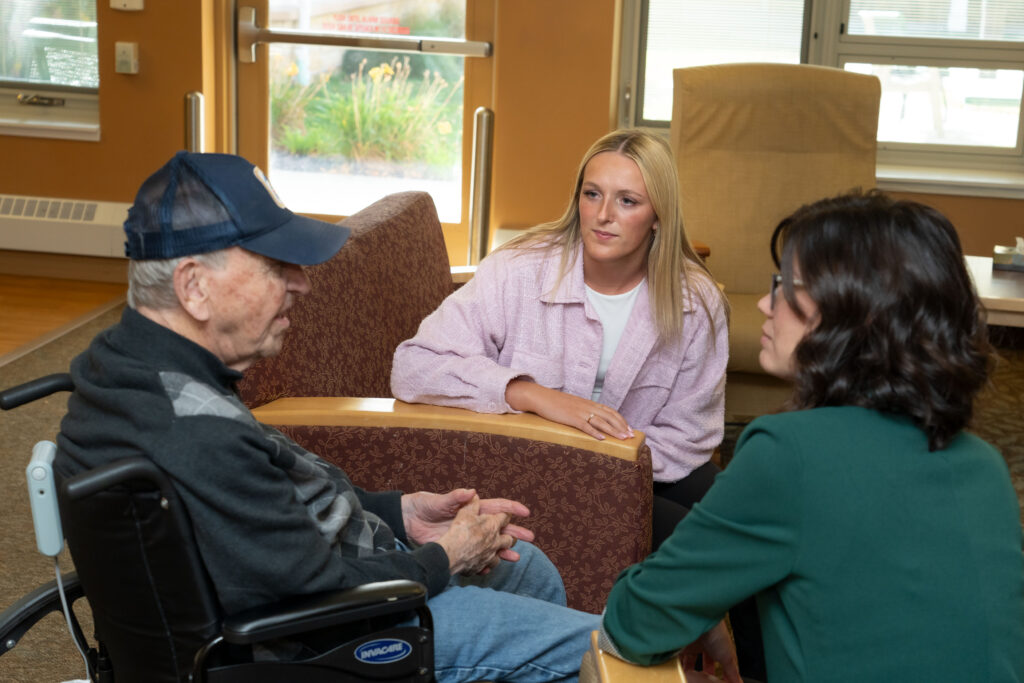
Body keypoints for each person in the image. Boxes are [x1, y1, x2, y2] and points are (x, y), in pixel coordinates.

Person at [54, 151, 600, 683]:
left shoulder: (125, 362)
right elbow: (311, 590)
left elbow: (264, 515)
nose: (302, 283)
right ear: (194, 286)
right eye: (275, 266)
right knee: (599, 651)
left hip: (319, 589)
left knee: (526, 568)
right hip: (325, 640)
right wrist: (445, 555)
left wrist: (397, 512)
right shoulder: (192, 430)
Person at [597, 190, 1024, 681]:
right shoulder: (988, 467)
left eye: (784, 286)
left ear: (851, 315)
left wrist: (699, 597)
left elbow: (632, 623)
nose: (763, 302)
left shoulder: (789, 453)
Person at [391, 129, 729, 544]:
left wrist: (603, 457)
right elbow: (414, 366)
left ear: (659, 215)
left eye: (628, 201)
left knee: (747, 523)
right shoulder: (516, 270)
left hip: (642, 463)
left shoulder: (696, 300)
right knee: (696, 542)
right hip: (527, 466)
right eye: (592, 194)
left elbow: (690, 433)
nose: (604, 214)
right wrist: (531, 394)